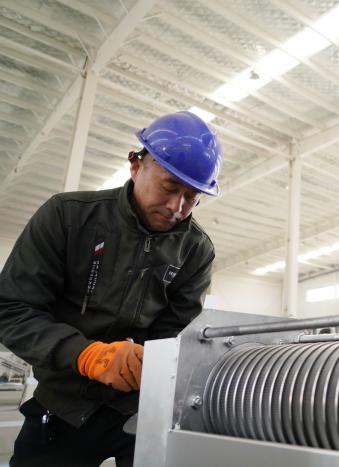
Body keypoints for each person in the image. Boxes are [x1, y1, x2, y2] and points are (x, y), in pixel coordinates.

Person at [0, 111, 222, 467]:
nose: (176, 207)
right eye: (169, 187)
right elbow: (13, 309)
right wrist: (87, 355)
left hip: (141, 411)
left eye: (192, 196)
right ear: (135, 165)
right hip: (63, 404)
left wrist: (152, 364)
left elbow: (176, 335)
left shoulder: (195, 250)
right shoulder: (67, 217)